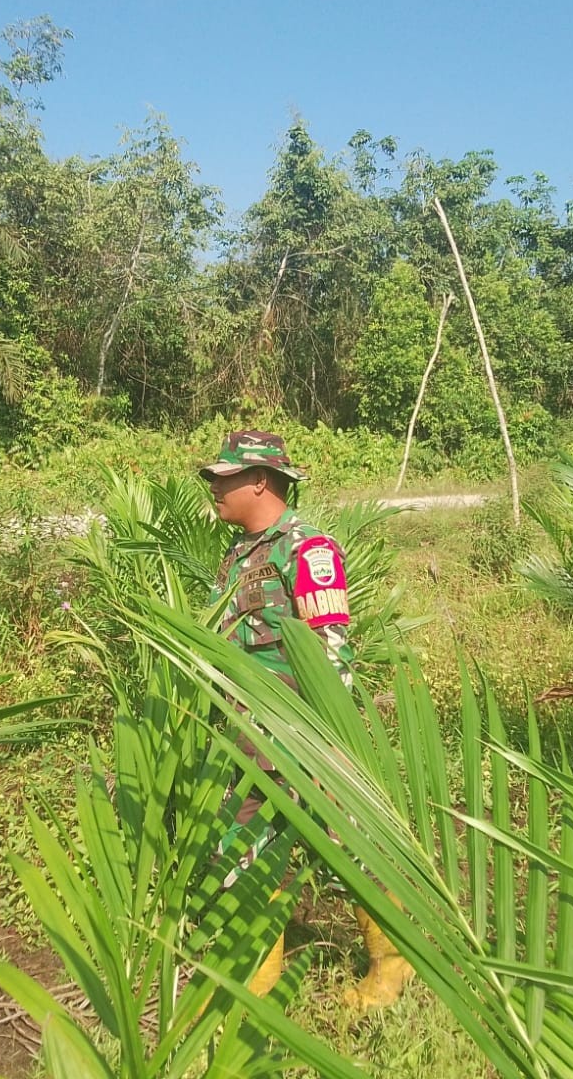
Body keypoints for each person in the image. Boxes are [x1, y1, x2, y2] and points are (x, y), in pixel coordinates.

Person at [199, 429, 411, 1009]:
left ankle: (391, 971)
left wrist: (321, 739)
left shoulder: (308, 549)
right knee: (243, 843)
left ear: (260, 481)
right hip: (246, 728)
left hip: (300, 729)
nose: (213, 487)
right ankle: (261, 982)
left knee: (344, 846)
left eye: (223, 477)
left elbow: (332, 650)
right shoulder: (237, 553)